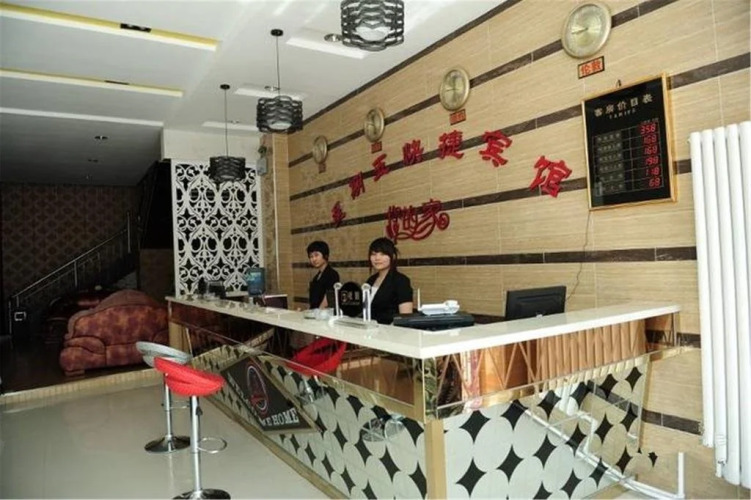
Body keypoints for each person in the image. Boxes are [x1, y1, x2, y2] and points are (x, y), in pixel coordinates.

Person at [365, 237, 413, 324]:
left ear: (393, 256)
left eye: (382, 254)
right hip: (369, 329)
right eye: (373, 254)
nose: (377, 258)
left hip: (389, 330)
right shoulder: (370, 280)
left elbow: (405, 318)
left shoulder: (401, 281)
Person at [307, 241, 339, 309]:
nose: (313, 259)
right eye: (311, 256)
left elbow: (327, 300)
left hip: (324, 313)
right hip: (315, 312)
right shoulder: (316, 277)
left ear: (325, 255)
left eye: (316, 255)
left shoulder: (332, 274)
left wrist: (317, 313)